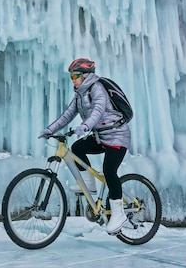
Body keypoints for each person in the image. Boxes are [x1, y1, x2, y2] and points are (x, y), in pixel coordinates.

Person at [38, 58, 131, 234]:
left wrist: (86, 126)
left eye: (76, 75)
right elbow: (67, 115)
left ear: (86, 75)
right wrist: (49, 129)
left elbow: (98, 110)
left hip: (117, 136)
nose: (73, 79)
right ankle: (88, 184)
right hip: (100, 136)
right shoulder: (80, 95)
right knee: (78, 148)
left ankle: (119, 214)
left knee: (109, 171)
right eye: (71, 76)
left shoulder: (98, 89)